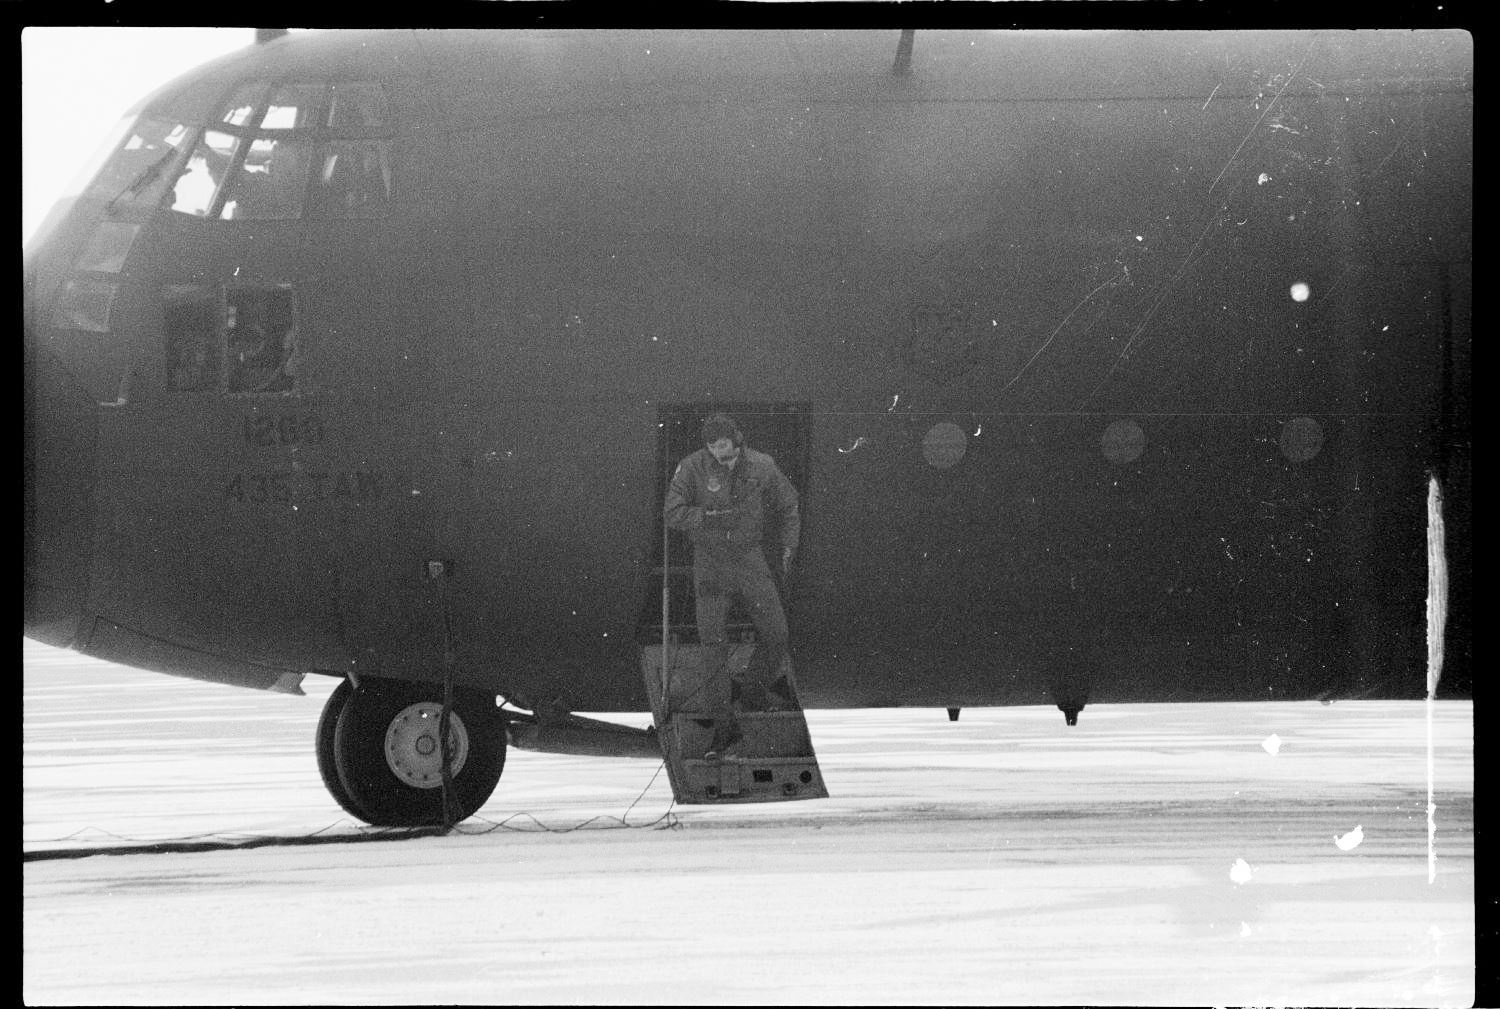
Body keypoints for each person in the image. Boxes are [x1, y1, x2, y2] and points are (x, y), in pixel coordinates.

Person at [664, 413, 801, 758]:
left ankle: (753, 692)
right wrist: (706, 518)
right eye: (711, 446)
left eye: (723, 445)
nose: (717, 452)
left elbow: (788, 503)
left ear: (737, 439)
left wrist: (789, 545)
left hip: (749, 560)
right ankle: (724, 729)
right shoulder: (692, 467)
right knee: (713, 647)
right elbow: (673, 511)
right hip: (709, 563)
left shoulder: (762, 465)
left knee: (776, 634)